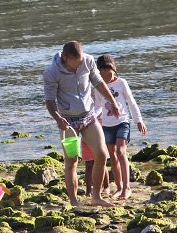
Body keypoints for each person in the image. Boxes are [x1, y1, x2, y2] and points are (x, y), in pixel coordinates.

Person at [43, 41, 121, 207]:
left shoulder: (88, 61)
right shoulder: (51, 72)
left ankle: (96, 197)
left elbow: (99, 83)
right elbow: (49, 101)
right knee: (71, 161)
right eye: (74, 64)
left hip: (88, 117)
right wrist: (58, 118)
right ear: (65, 58)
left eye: (80, 63)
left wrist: (113, 102)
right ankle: (73, 201)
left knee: (101, 154)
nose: (77, 67)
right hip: (67, 122)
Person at [95, 54, 147, 200]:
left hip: (122, 122)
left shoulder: (121, 83)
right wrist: (91, 118)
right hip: (106, 124)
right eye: (102, 74)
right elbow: (98, 106)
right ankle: (118, 188)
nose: (107, 78)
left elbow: (131, 102)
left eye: (109, 74)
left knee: (121, 151)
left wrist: (138, 120)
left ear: (114, 70)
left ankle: (127, 187)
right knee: (112, 156)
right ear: (98, 73)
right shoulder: (97, 86)